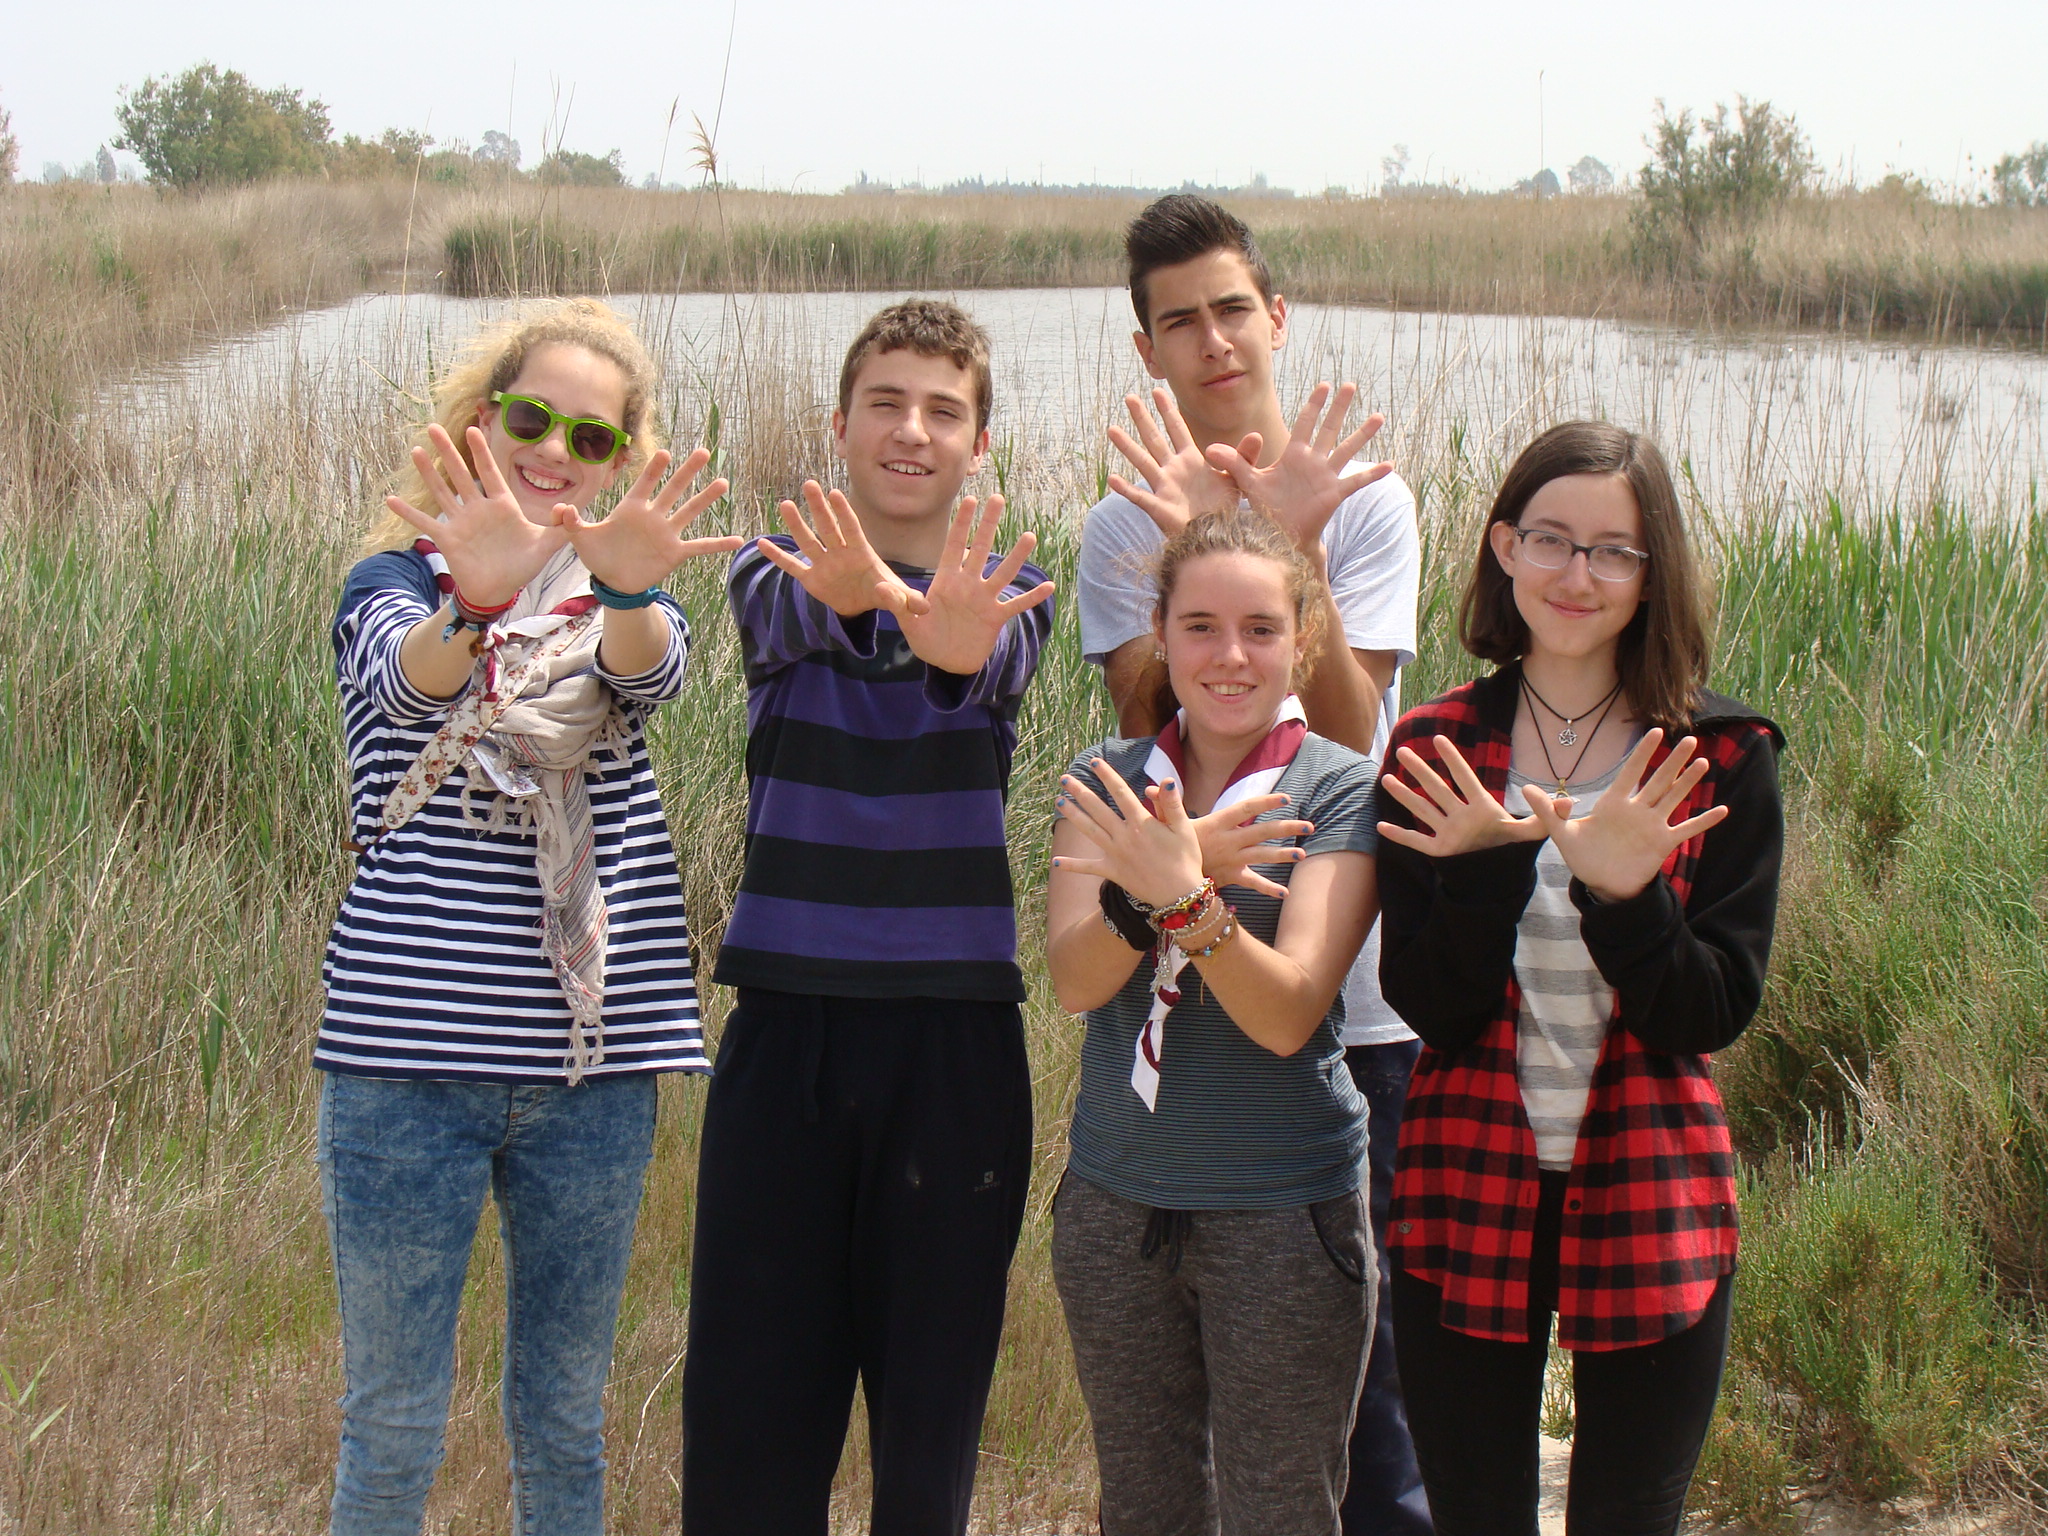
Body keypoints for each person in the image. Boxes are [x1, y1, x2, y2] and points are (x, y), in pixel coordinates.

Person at [317, 296, 744, 1536]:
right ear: (481, 421)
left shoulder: (623, 606)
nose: (553, 451)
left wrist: (610, 582)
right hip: (404, 1073)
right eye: (530, 418)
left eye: (592, 438)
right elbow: (407, 689)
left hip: (589, 1072)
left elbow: (642, 671)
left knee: (563, 1421)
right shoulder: (393, 585)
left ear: (625, 462)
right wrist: (476, 605)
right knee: (392, 1427)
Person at [1075, 192, 1431, 1533]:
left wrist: (1289, 537)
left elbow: (1346, 733)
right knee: (1176, 1427)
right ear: (1146, 348)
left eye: (1233, 308)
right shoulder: (1121, 528)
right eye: (1181, 320)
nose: (1214, 339)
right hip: (1186, 1014)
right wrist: (1196, 543)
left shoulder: (1369, 499)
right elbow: (1152, 731)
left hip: (1360, 997)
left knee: (1361, 1401)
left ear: (1275, 317)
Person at [679, 299, 1057, 1536]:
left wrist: (938, 635)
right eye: (885, 404)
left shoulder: (1016, 588)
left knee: (927, 1431)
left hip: (953, 1042)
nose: (911, 431)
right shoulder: (770, 567)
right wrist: (875, 606)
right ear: (840, 427)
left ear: (978, 443)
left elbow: (978, 663)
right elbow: (800, 617)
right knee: (749, 1422)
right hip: (785, 1029)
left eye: (943, 411)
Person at [1374, 421, 1785, 1536]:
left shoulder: (1718, 757)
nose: (1576, 574)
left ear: (1653, 575)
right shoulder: (1435, 746)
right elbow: (1432, 1009)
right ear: (1502, 548)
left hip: (1649, 1180)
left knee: (1627, 1513)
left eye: (1613, 550)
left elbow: (1710, 1009)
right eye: (1549, 539)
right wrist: (1487, 869)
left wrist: (1623, 896)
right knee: (1474, 1511)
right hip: (1463, 1178)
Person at [1046, 506, 1382, 1533]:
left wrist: (1187, 899)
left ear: (1301, 643)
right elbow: (1072, 979)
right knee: (1145, 1507)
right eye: (1197, 626)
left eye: (1259, 630)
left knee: (1279, 1508)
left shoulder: (1334, 789)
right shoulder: (1107, 783)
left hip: (1280, 1210)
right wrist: (1149, 887)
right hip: (1116, 1202)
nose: (1228, 656)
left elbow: (1286, 1014)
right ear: (1159, 633)